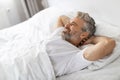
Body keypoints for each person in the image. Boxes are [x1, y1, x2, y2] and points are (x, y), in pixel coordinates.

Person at [45, 11, 116, 77]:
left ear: (83, 35)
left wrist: (92, 39)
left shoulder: (75, 56)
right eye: (68, 23)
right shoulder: (59, 34)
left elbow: (108, 43)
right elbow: (61, 17)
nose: (66, 25)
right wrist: (71, 25)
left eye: (72, 24)